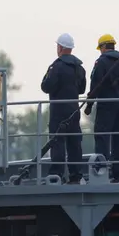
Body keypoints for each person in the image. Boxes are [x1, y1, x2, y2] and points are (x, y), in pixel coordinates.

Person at [85, 34, 119, 183]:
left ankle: (102, 171)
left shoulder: (101, 62)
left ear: (103, 47)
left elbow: (95, 85)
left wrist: (89, 104)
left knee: (102, 137)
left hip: (106, 106)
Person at [41, 33, 86, 184]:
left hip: (58, 110)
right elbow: (81, 89)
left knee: (57, 141)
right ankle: (76, 175)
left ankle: (57, 174)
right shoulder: (80, 68)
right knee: (74, 143)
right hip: (74, 110)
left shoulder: (56, 66)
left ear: (60, 48)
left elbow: (46, 87)